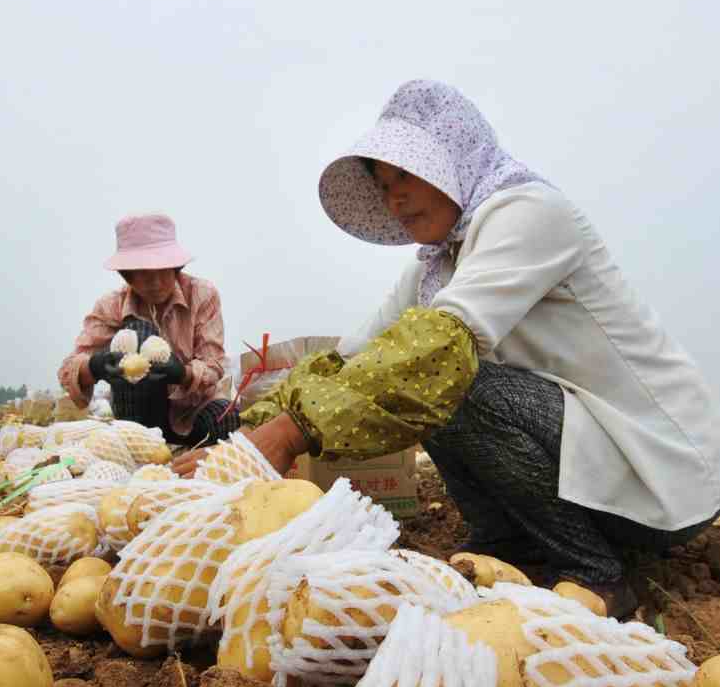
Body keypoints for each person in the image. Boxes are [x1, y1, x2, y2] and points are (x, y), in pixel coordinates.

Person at [175, 81, 720, 617]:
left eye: (407, 175)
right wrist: (246, 442)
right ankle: (506, 545)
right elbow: (354, 357)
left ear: (454, 161)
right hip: (601, 471)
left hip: (665, 475)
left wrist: (293, 433)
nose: (396, 197)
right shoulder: (437, 263)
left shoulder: (529, 214)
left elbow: (433, 351)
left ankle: (594, 574)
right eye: (385, 184)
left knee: (444, 376)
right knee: (413, 376)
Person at [59, 213, 240, 448]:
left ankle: (187, 448)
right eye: (143, 273)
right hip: (139, 414)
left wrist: (181, 373)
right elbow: (68, 369)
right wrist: (96, 366)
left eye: (162, 271)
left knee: (229, 419)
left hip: (193, 411)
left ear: (176, 268)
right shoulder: (111, 305)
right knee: (137, 335)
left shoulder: (202, 295)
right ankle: (143, 448)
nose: (154, 283)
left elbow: (214, 364)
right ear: (127, 275)